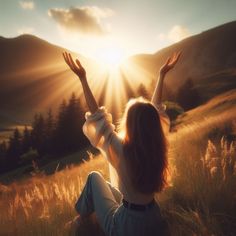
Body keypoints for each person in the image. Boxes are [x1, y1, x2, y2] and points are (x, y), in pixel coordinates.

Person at [62, 51, 181, 236]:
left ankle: (80, 220)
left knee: (94, 177)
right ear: (154, 126)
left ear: (130, 124)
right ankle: (81, 220)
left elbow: (97, 117)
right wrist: (161, 75)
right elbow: (155, 113)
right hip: (153, 218)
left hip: (125, 226)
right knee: (108, 187)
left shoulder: (122, 150)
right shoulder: (157, 149)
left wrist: (83, 78)